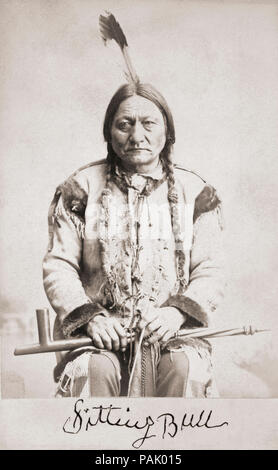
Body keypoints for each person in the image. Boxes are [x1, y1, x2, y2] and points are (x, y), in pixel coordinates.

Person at [43, 82, 225, 398]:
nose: (136, 136)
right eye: (124, 124)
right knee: (92, 371)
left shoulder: (195, 192)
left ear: (167, 132)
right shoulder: (81, 189)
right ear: (109, 133)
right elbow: (59, 266)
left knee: (182, 370)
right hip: (99, 336)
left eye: (148, 123)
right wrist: (92, 319)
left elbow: (211, 270)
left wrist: (176, 313)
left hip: (173, 332)